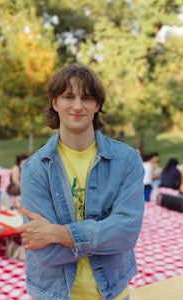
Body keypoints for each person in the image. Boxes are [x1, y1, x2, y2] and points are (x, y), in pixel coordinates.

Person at [16, 64, 144, 300]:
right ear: (55, 102)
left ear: (97, 105)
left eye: (86, 97)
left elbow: (126, 232)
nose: (77, 106)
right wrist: (102, 236)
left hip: (113, 292)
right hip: (55, 294)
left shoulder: (127, 160)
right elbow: (45, 250)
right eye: (68, 97)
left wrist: (59, 232)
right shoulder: (35, 169)